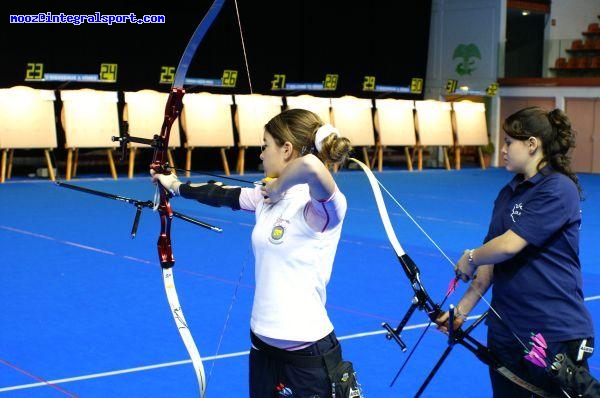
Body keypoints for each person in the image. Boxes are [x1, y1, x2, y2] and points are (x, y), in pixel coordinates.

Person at [151, 108, 363, 398]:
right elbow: (220, 193)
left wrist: (279, 186)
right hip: (262, 350)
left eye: (266, 146)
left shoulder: (322, 210)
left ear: (287, 149)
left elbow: (312, 166)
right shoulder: (265, 198)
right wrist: (173, 185)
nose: (261, 155)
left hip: (307, 359)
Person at [435, 106, 595, 397]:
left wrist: (470, 256)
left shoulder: (559, 188)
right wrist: (460, 311)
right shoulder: (508, 192)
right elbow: (490, 263)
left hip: (553, 333)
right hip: (507, 331)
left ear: (532, 144)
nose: (503, 149)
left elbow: (509, 245)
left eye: (510, 142)